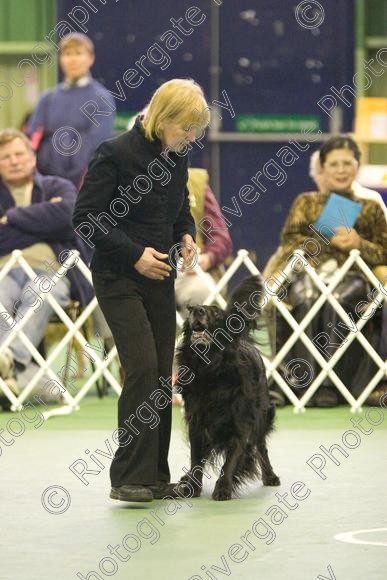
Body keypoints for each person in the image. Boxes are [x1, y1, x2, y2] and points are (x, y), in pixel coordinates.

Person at [73, 78, 210, 503]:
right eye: (186, 128)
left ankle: (153, 475)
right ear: (163, 117)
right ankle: (126, 476)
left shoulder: (177, 157)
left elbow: (180, 210)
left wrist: (186, 235)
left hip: (160, 276)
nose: (191, 138)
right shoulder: (113, 153)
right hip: (118, 277)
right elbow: (87, 218)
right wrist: (134, 255)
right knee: (143, 366)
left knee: (159, 376)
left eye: (195, 130)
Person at [265, 135, 387, 407]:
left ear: (358, 166)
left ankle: (331, 384)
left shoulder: (371, 205)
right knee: (307, 298)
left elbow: (384, 250)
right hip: (308, 274)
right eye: (334, 164)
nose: (341, 170)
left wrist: (359, 244)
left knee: (340, 299)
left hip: (355, 278)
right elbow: (290, 243)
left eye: (347, 163)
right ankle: (302, 383)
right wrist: (327, 238)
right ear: (322, 169)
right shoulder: (306, 202)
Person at [0, 129, 93, 409]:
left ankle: (10, 360)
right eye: (6, 157)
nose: (14, 161)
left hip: (51, 271)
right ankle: (16, 374)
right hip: (4, 271)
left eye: (19, 154)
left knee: (38, 292)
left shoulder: (57, 185)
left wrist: (12, 219)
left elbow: (67, 218)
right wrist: (43, 226)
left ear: (32, 158)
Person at [27, 33, 115, 188]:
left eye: (78, 53)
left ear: (91, 59)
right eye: (67, 54)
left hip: (85, 182)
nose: (73, 59)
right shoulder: (48, 98)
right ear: (60, 59)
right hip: (46, 181)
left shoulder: (102, 99)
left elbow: (98, 142)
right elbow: (34, 137)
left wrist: (75, 171)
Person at [175, 167, 233, 309]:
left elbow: (221, 237)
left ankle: (194, 331)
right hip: (142, 267)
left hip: (187, 271)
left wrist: (207, 259)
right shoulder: (131, 178)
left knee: (201, 290)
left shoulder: (196, 182)